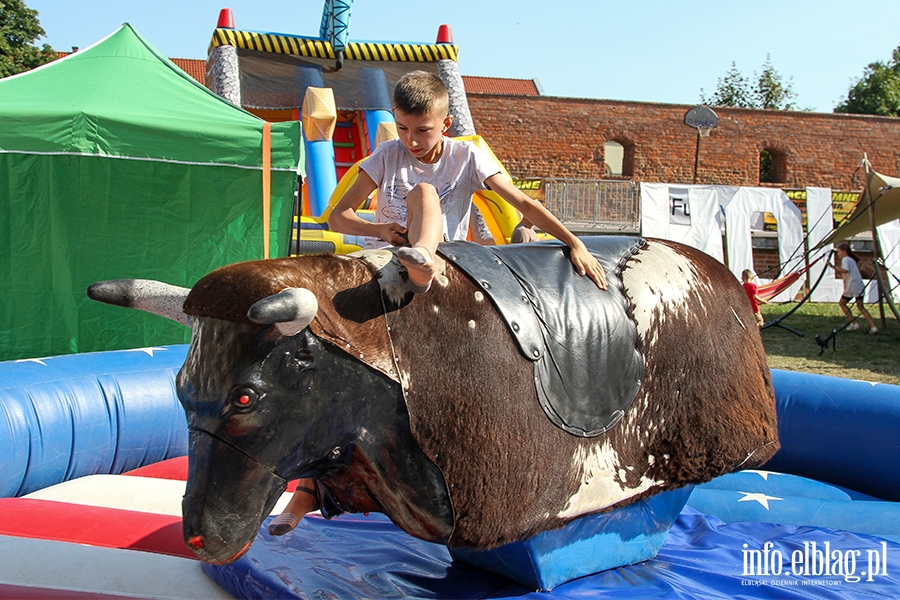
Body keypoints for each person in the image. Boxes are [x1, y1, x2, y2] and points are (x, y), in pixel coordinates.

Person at [328, 70, 607, 293]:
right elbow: (337, 217)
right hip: (387, 253)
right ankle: (418, 260)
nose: (410, 140)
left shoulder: (466, 156)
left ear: (446, 124)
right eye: (402, 128)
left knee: (427, 191)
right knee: (423, 192)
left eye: (423, 131)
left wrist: (575, 243)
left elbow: (523, 202)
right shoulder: (388, 154)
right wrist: (381, 230)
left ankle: (423, 258)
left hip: (442, 255)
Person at [830, 242, 877, 334]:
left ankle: (854, 323)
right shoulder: (851, 260)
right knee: (861, 307)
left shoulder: (846, 259)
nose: (838, 254)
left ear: (844, 251)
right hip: (858, 285)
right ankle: (873, 326)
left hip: (852, 286)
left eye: (839, 252)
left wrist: (833, 266)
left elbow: (845, 270)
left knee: (842, 303)